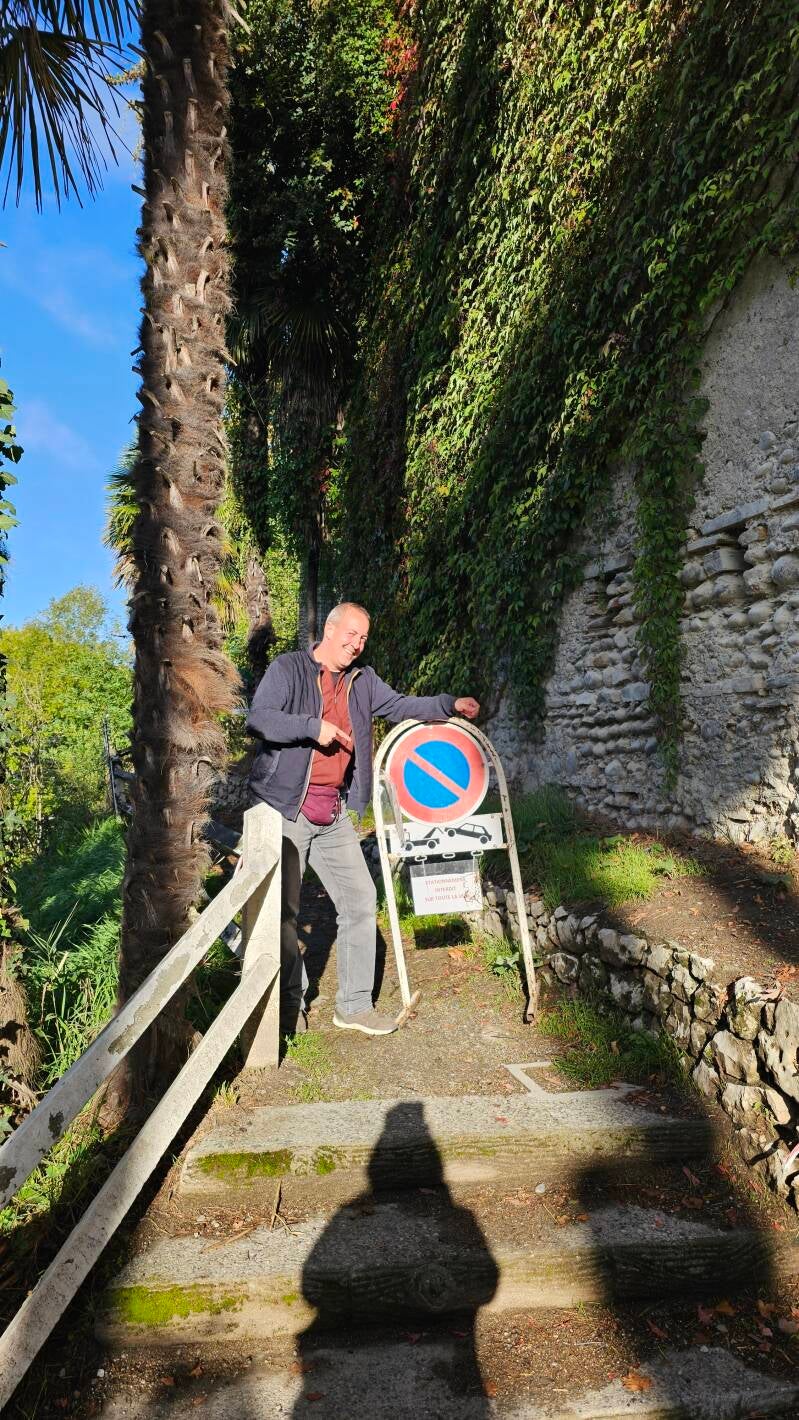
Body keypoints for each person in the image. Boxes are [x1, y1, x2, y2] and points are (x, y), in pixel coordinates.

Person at [246, 602, 480, 1037]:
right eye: (352, 634)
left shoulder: (363, 681)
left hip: (333, 812)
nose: (357, 644)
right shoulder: (289, 669)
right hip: (285, 808)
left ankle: (353, 1006)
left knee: (359, 900)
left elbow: (402, 705)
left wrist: (448, 704)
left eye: (364, 638)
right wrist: (312, 727)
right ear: (330, 630)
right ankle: (289, 1003)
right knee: (282, 913)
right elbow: (259, 719)